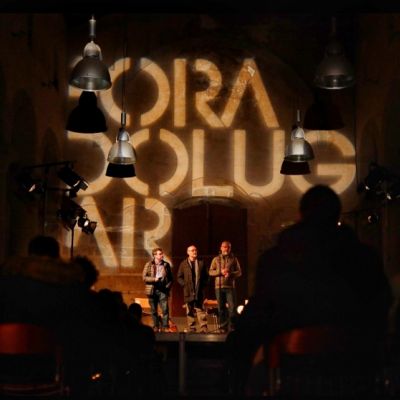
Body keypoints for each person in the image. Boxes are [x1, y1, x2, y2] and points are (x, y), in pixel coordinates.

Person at [228, 184, 393, 395]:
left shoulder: (275, 260)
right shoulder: (365, 259)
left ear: (301, 214)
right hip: (354, 379)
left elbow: (258, 317)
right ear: (337, 216)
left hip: (291, 378)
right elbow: (381, 309)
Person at [209, 241, 242, 333]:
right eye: (224, 247)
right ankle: (223, 327)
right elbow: (210, 272)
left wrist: (230, 273)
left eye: (228, 247)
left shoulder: (234, 259)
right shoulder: (216, 259)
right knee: (221, 308)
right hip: (218, 286)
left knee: (232, 308)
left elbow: (239, 272)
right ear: (221, 248)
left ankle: (232, 327)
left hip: (230, 287)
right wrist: (220, 272)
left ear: (230, 248)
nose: (226, 248)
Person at [177, 245, 209, 333]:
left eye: (195, 250)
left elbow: (207, 276)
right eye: (192, 250)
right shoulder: (184, 264)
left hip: (199, 290)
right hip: (188, 290)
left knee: (200, 309)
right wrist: (185, 285)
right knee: (189, 309)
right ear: (188, 252)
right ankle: (192, 328)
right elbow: (179, 277)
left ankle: (203, 327)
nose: (194, 252)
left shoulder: (201, 263)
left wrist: (203, 285)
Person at [142, 247, 173, 332]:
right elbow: (144, 277)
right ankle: (155, 326)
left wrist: (167, 287)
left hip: (163, 290)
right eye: (160, 254)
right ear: (154, 255)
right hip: (152, 290)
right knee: (153, 310)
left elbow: (171, 279)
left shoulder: (166, 265)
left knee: (165, 309)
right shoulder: (149, 264)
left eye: (162, 254)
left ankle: (165, 327)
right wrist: (154, 279)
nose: (162, 255)